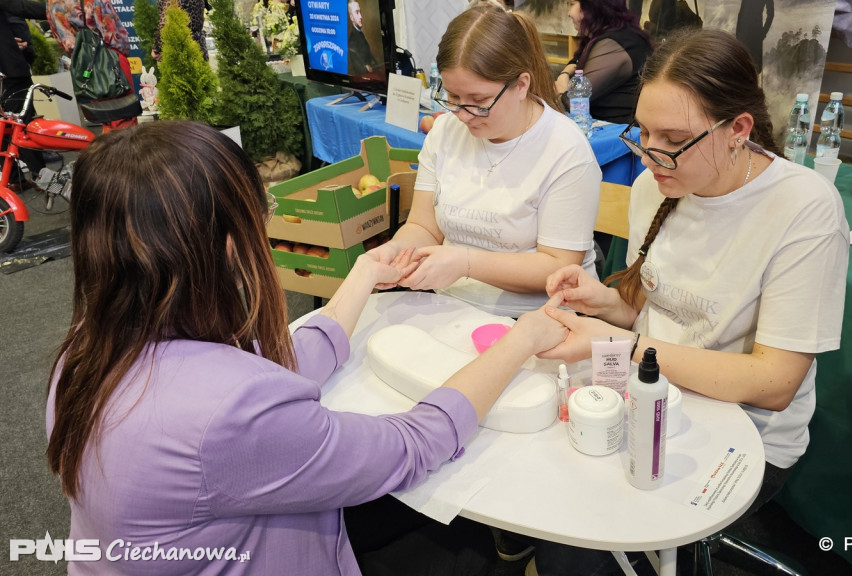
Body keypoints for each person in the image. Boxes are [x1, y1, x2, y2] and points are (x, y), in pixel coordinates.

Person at [45, 120, 569, 576]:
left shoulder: (86, 350)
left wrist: (363, 273)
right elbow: (411, 444)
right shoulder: (230, 412)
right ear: (229, 243)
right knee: (461, 538)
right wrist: (523, 338)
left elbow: (273, 367)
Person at [531, 28, 850, 574]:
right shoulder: (655, 184)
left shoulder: (803, 208)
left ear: (738, 130)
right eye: (643, 133)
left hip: (746, 434)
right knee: (554, 493)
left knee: (579, 545)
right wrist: (602, 301)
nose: (651, 156)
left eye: (672, 138)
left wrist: (622, 344)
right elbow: (649, 302)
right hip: (653, 394)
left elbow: (774, 384)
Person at [369, 3, 602, 319]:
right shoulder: (445, 132)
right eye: (452, 97)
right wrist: (393, 252)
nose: (463, 115)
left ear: (522, 85)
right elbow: (424, 225)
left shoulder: (565, 149)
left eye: (479, 101)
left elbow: (558, 266)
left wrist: (464, 263)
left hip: (539, 318)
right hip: (450, 307)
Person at [46, 0, 139, 131]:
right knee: (124, 115)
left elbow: (59, 35)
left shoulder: (52, 3)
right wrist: (122, 53)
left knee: (105, 116)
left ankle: (107, 149)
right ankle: (124, 150)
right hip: (110, 58)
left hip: (83, 62)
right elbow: (113, 33)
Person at [556, 0, 654, 124]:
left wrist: (561, 85)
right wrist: (565, 73)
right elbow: (577, 60)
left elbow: (574, 101)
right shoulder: (609, 36)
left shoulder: (615, 43)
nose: (569, 13)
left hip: (613, 135)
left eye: (572, 4)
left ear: (592, 7)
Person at [1, 3, 47, 181]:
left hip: (11, 68)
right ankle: (39, 177)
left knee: (7, 125)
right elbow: (19, 7)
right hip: (12, 71)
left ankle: (13, 178)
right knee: (23, 124)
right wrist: (60, 7)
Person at [348, 0, 374, 74]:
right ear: (351, 18)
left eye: (360, 12)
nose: (361, 16)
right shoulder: (353, 39)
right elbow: (360, 69)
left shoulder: (360, 33)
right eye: (357, 12)